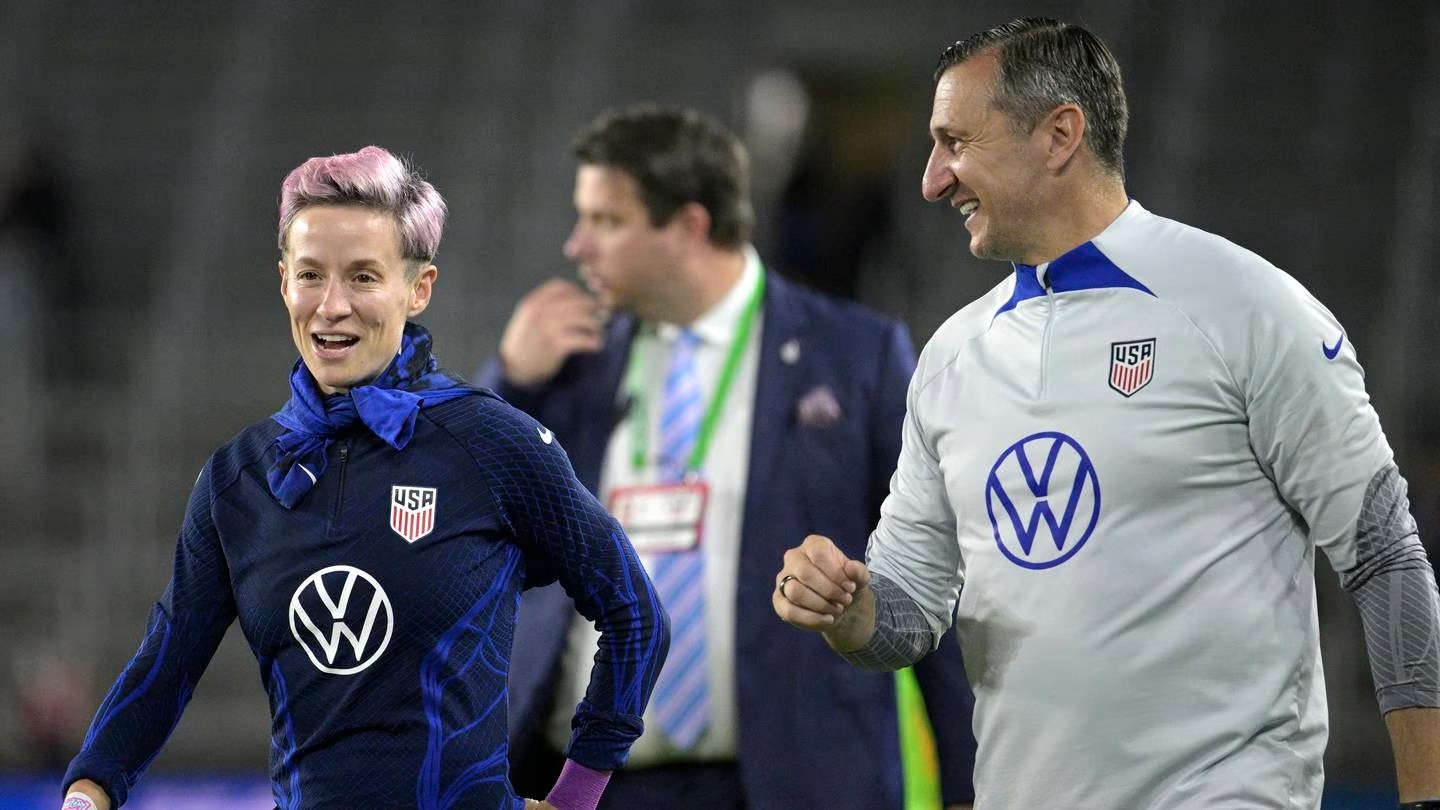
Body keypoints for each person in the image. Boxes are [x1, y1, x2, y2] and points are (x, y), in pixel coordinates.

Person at [773, 16, 1440, 809]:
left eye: (956, 141)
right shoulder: (951, 358)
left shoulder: (1245, 308)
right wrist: (847, 610)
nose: (931, 180)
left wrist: (1425, 795)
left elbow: (1384, 558)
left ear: (1058, 135)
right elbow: (909, 617)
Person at [59, 146, 668, 810]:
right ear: (284, 281)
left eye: (364, 277)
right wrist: (90, 790)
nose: (332, 306)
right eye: (312, 275)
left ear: (418, 288)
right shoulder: (238, 478)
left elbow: (637, 614)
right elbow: (167, 663)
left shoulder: (491, 443)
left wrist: (577, 794)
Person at [480, 104, 977, 809]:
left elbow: (934, 575)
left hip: (791, 784)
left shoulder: (857, 357)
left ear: (688, 228)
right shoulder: (566, 362)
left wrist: (967, 782)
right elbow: (459, 518)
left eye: (606, 221)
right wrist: (508, 378)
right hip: (582, 786)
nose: (577, 246)